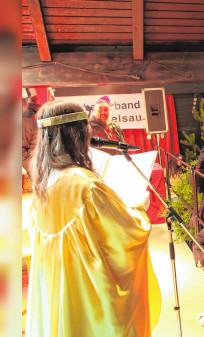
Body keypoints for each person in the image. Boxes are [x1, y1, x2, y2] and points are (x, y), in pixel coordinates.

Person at [25, 100, 160, 337]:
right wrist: (139, 205)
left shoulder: (42, 187)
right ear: (76, 134)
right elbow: (125, 235)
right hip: (86, 293)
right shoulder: (84, 185)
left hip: (58, 291)